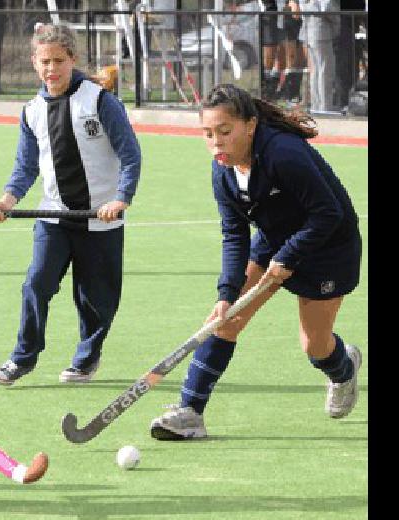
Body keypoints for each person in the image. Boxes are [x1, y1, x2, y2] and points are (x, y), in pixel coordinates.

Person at [149, 84, 362, 441]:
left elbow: (329, 212)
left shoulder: (283, 153)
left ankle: (343, 369)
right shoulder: (223, 172)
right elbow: (234, 236)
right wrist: (226, 292)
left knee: (315, 345)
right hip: (275, 241)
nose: (216, 142)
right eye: (208, 133)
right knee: (225, 318)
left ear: (250, 126)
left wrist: (289, 256)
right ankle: (189, 413)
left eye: (225, 131)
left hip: (329, 248)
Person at [0, 23, 141, 385]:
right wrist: (8, 199)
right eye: (44, 62)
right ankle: (22, 358)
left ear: (73, 58)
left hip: (100, 218)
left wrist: (121, 198)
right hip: (53, 217)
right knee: (35, 285)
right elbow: (26, 165)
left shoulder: (101, 100)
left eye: (58, 60)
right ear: (34, 62)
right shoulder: (31, 110)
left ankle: (86, 359)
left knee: (95, 299)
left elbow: (130, 155)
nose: (51, 69)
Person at [298, 0, 341, 112]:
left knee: (316, 71)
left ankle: (316, 105)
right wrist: (336, 19)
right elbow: (326, 7)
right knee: (324, 71)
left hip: (310, 32)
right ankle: (325, 106)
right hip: (321, 32)